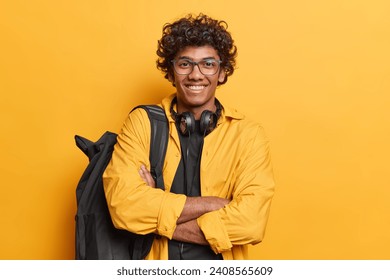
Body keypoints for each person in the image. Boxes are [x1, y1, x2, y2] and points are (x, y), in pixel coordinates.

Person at [103, 13, 275, 260]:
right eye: (185, 64)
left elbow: (251, 222)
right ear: (171, 72)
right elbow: (124, 207)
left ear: (222, 72)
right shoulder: (142, 123)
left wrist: (156, 209)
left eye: (208, 64)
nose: (196, 74)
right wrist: (212, 204)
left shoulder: (248, 136)